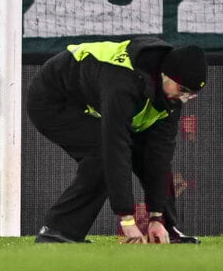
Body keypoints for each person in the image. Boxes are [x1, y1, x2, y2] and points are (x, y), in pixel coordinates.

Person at [28, 38, 207, 244]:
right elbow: (115, 148)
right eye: (183, 90)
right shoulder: (122, 84)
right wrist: (127, 220)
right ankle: (57, 231)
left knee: (150, 153)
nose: (185, 98)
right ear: (165, 75)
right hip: (53, 100)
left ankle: (165, 227)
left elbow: (159, 156)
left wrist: (157, 216)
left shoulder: (171, 98)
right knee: (102, 153)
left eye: (192, 95)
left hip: (95, 101)